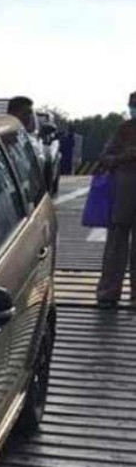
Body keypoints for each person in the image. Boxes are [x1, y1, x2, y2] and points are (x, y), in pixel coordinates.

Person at [95, 93, 136, 308]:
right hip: (122, 198)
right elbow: (105, 158)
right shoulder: (124, 130)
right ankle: (108, 292)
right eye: (132, 105)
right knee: (115, 248)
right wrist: (123, 157)